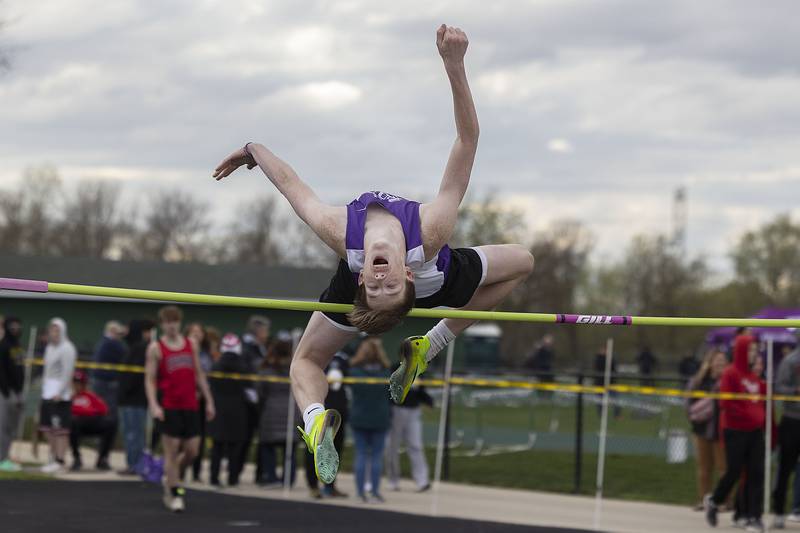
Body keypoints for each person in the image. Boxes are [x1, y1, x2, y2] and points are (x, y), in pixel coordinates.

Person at [212, 24, 534, 484]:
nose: (381, 280)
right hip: (437, 274)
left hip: (409, 281)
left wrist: (253, 150)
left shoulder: (342, 235)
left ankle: (327, 408)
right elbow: (467, 143)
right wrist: (455, 66)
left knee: (303, 362)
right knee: (522, 259)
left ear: (363, 279)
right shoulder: (432, 230)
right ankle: (405, 362)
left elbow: (292, 186)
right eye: (390, 285)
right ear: (404, 274)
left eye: (376, 286)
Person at [144, 305, 215, 512]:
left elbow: (199, 374)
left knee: (192, 451)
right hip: (169, 406)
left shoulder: (190, 344)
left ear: (179, 323)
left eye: (174, 321)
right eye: (167, 321)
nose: (172, 325)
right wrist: (154, 405)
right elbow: (149, 380)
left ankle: (172, 478)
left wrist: (209, 400)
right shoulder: (156, 348)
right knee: (172, 452)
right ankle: (175, 493)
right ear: (162, 324)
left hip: (191, 405)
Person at [704, 335, 766, 532]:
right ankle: (715, 500)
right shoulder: (730, 374)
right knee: (734, 471)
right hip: (735, 431)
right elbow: (726, 404)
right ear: (740, 351)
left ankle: (753, 516)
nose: (753, 354)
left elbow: (760, 401)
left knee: (756, 473)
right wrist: (751, 412)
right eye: (750, 350)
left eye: (755, 350)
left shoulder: (755, 378)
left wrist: (758, 416)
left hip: (755, 432)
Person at [349, 338, 392, 502]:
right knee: (375, 456)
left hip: (360, 417)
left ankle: (360, 493)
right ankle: (374, 492)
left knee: (360, 454)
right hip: (380, 418)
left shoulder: (354, 372)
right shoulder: (385, 373)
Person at [305, 348, 350, 499]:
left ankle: (330, 485)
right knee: (316, 447)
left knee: (335, 449)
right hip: (321, 408)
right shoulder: (316, 356)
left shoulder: (344, 357)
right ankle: (313, 486)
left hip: (339, 410)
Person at [686, 348, 727, 511]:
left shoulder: (727, 379)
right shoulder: (699, 381)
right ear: (709, 363)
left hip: (721, 431)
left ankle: (723, 501)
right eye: (717, 361)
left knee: (723, 468)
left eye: (723, 361)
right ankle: (704, 499)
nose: (719, 364)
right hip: (702, 430)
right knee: (703, 468)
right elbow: (688, 402)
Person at [257, 332, 300, 488]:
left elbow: (260, 390)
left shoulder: (267, 369)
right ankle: (289, 479)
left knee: (269, 447)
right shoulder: (296, 367)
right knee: (290, 450)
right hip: (291, 412)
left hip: (271, 412)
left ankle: (271, 477)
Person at [207, 333, 249, 488]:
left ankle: (213, 478)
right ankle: (233, 478)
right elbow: (249, 389)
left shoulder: (216, 366)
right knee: (234, 448)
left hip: (219, 409)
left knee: (217, 447)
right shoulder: (243, 367)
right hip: (238, 411)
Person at [386, 367, 433, 492]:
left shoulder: (419, 369)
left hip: (414, 411)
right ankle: (393, 480)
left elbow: (420, 391)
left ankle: (422, 480)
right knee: (392, 446)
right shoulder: (395, 368)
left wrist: (428, 400)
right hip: (396, 410)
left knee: (415, 445)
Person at [39, 318, 77, 473]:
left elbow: (68, 372)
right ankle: (53, 457)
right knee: (48, 428)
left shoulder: (67, 348)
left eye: (57, 330)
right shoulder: (49, 348)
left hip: (60, 395)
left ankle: (60, 460)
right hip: (47, 392)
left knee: (60, 429)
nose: (53, 333)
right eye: (51, 330)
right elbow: (47, 371)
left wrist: (60, 392)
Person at [117, 318, 154, 475]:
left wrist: (125, 389)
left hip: (135, 400)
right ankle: (132, 463)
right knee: (129, 433)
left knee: (134, 434)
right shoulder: (133, 347)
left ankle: (135, 465)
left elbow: (134, 375)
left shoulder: (140, 348)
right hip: (128, 399)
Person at [771, 341, 800, 528]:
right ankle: (779, 511)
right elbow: (779, 387)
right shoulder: (790, 361)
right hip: (792, 421)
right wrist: (795, 391)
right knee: (785, 468)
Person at [239, 315, 270, 484]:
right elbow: (248, 371)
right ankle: (236, 471)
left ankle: (260, 474)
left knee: (261, 437)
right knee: (245, 437)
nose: (267, 333)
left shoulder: (261, 347)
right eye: (265, 330)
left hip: (261, 397)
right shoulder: (247, 348)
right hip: (248, 399)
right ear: (257, 331)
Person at [69, 370, 117, 471]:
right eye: (76, 383)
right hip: (77, 425)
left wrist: (86, 412)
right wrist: (85, 411)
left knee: (111, 424)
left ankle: (102, 459)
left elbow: (103, 409)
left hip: (92, 423)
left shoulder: (90, 396)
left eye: (80, 383)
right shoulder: (70, 397)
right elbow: (69, 411)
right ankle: (76, 458)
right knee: (73, 423)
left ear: (84, 384)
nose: (78, 386)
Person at [185, 322, 211, 482]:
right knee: (182, 437)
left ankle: (196, 471)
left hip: (200, 401)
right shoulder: (182, 351)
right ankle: (179, 470)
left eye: (199, 332)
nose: (196, 334)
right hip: (184, 398)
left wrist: (204, 394)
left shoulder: (205, 355)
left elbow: (205, 375)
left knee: (199, 437)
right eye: (192, 332)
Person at [90, 320, 127, 422]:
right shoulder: (110, 342)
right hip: (105, 382)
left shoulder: (105, 341)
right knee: (108, 410)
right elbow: (124, 353)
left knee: (102, 409)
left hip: (101, 381)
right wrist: (124, 334)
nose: (119, 335)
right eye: (117, 332)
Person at [0, 317, 24, 472]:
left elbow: (19, 370)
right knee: (2, 428)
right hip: (4, 393)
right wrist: (7, 391)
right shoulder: (3, 346)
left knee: (10, 428)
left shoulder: (18, 346)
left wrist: (19, 392)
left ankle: (5, 457)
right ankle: (1, 459)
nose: (15, 330)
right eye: (12, 327)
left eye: (17, 327)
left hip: (16, 393)